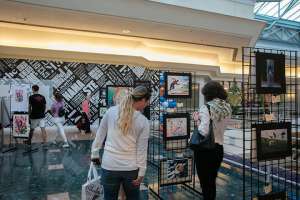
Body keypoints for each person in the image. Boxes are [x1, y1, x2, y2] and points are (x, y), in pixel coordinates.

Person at [91, 86, 151, 200]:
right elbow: (142, 150)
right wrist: (142, 172)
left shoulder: (110, 112)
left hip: (109, 165)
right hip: (131, 169)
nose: (147, 104)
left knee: (109, 198)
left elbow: (99, 135)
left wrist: (94, 154)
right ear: (142, 100)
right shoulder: (143, 121)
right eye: (147, 101)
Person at [192, 81, 231, 200]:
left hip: (205, 150)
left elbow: (203, 131)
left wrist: (196, 120)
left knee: (205, 184)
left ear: (208, 94)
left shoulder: (206, 107)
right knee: (212, 181)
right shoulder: (227, 107)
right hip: (219, 149)